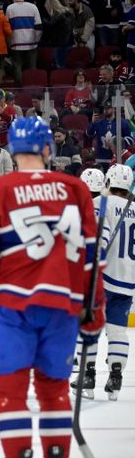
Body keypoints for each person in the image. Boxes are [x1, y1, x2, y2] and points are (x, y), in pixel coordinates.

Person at [0, 117, 104, 458]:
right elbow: (93, 258)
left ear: (11, 149)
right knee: (54, 388)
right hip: (63, 306)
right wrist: (94, 309)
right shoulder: (76, 189)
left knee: (10, 391)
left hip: (13, 306)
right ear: (46, 149)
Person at [71, 164, 135, 401]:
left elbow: (99, 239)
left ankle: (87, 374)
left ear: (108, 182)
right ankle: (115, 377)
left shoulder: (101, 204)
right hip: (128, 280)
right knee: (118, 329)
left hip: (103, 277)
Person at [5, 0, 42, 85]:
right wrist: (36, 41)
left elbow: (7, 28)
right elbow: (39, 27)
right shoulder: (33, 7)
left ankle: (19, 89)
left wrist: (9, 42)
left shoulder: (10, 8)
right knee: (32, 67)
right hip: (31, 43)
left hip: (15, 43)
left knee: (17, 67)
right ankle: (32, 87)